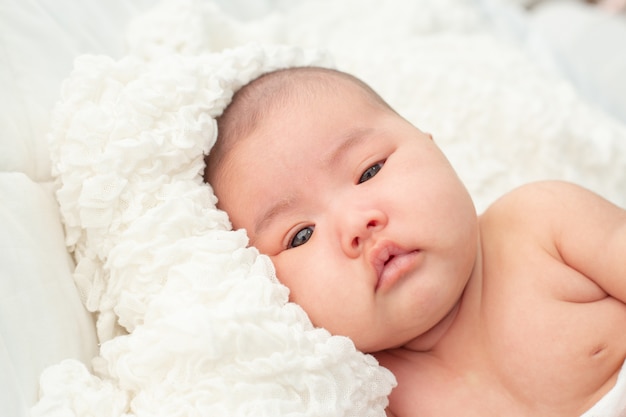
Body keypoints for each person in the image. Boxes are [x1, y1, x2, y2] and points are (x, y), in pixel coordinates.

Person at [204, 66, 626, 416]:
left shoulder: (542, 221)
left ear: (434, 148)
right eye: (301, 235)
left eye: (369, 171)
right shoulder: (368, 392)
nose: (356, 224)